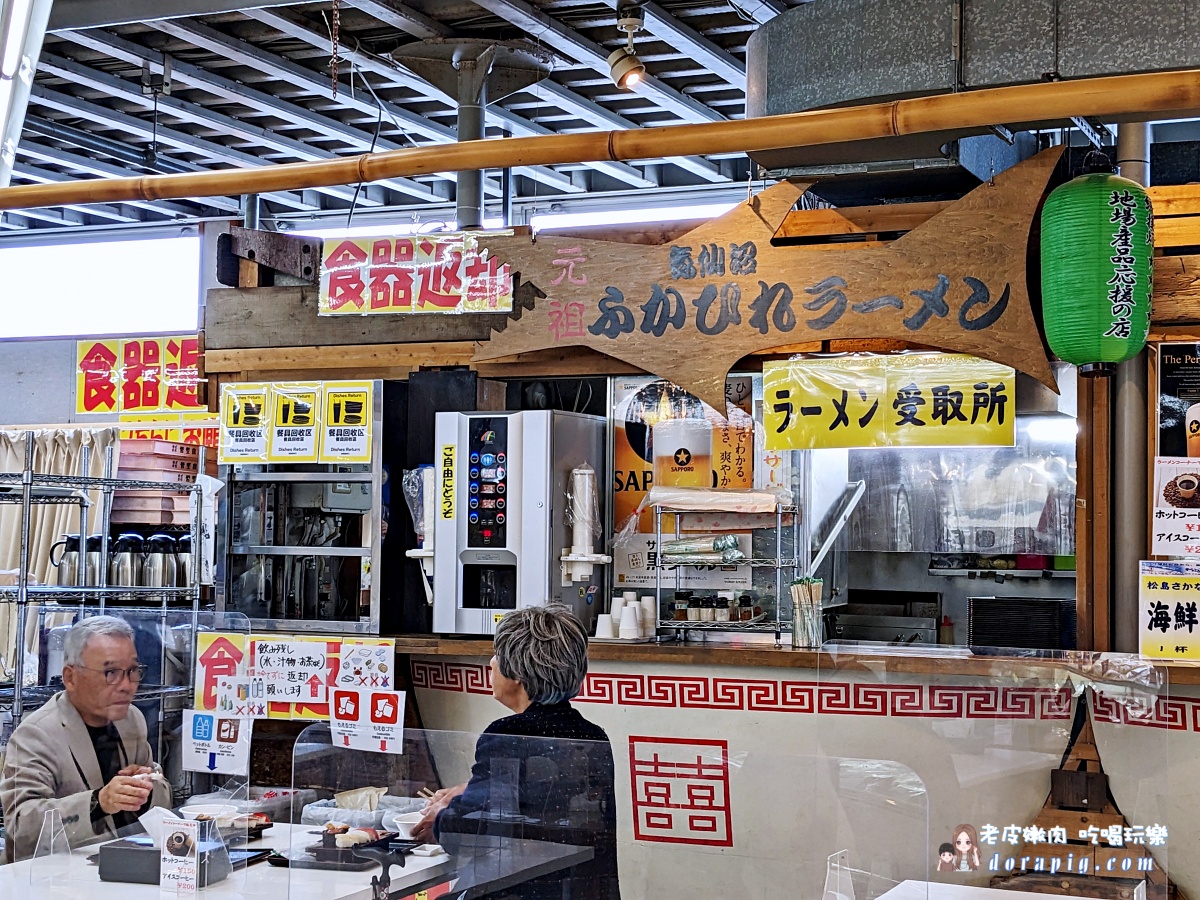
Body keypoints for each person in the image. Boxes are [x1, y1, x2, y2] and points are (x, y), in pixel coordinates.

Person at [413, 604, 620, 899]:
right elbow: (539, 803)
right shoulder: (591, 735)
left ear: (518, 674)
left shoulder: (508, 735)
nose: (491, 664)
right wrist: (466, 790)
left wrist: (441, 815)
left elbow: (466, 833)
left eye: (497, 656)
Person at [0, 616, 171, 862]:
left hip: (120, 864)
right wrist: (98, 802)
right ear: (70, 677)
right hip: (53, 877)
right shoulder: (37, 734)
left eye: (133, 671)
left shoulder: (131, 719)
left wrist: (143, 791)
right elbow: (21, 825)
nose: (127, 685)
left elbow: (162, 796)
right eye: (110, 672)